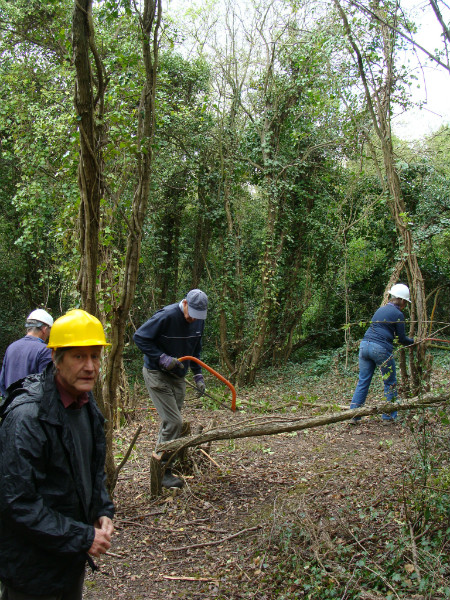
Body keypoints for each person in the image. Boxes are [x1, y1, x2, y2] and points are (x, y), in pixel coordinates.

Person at [0, 309, 114, 600]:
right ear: (56, 359)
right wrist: (83, 536)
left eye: (95, 356)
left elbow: (92, 472)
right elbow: (18, 502)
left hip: (69, 561)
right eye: (78, 356)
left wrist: (102, 509)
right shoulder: (28, 417)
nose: (90, 366)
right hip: (31, 571)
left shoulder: (86, 406)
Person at [134, 289, 208, 489]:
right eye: (191, 314)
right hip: (157, 374)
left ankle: (162, 462)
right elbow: (140, 337)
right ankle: (162, 470)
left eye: (198, 316)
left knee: (172, 423)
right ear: (184, 303)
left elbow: (196, 348)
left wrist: (198, 375)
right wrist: (161, 357)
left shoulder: (198, 320)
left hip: (179, 374)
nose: (193, 319)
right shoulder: (166, 316)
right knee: (174, 421)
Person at [349, 283, 414, 424]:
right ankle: (388, 417)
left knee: (363, 381)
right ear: (402, 301)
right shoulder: (398, 314)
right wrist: (414, 342)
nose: (405, 306)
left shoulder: (381, 310)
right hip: (380, 349)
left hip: (364, 346)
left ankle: (354, 415)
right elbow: (402, 339)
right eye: (406, 303)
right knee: (390, 382)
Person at [0, 309, 54, 397]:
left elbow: (2, 383)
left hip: (9, 406)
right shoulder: (45, 350)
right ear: (44, 329)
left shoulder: (11, 347)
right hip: (32, 408)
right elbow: (48, 386)